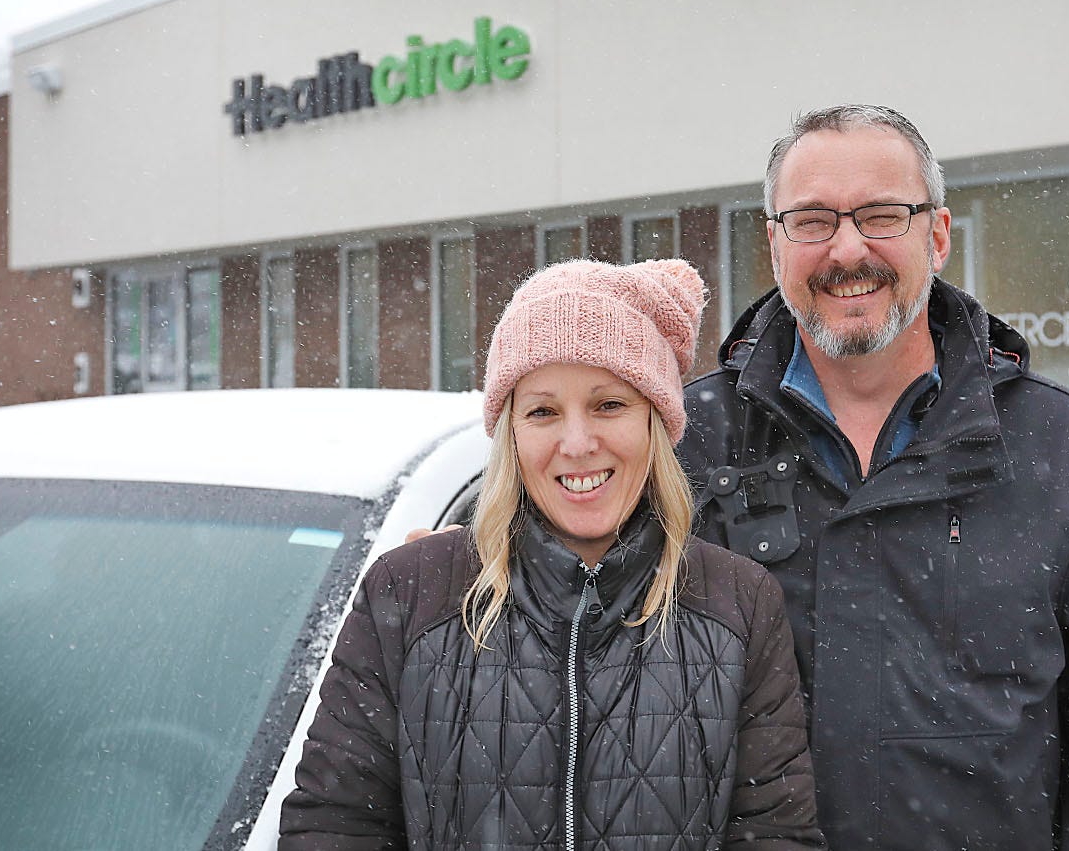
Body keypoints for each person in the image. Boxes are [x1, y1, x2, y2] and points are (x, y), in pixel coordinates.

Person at [681, 105, 1069, 850]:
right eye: (811, 220)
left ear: (936, 235)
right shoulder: (686, 445)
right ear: (774, 243)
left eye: (880, 214)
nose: (847, 248)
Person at [281, 259, 824, 851]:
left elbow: (775, 836)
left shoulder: (737, 603)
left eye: (608, 405)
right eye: (543, 411)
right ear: (510, 431)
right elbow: (333, 826)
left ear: (656, 422)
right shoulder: (409, 593)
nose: (577, 443)